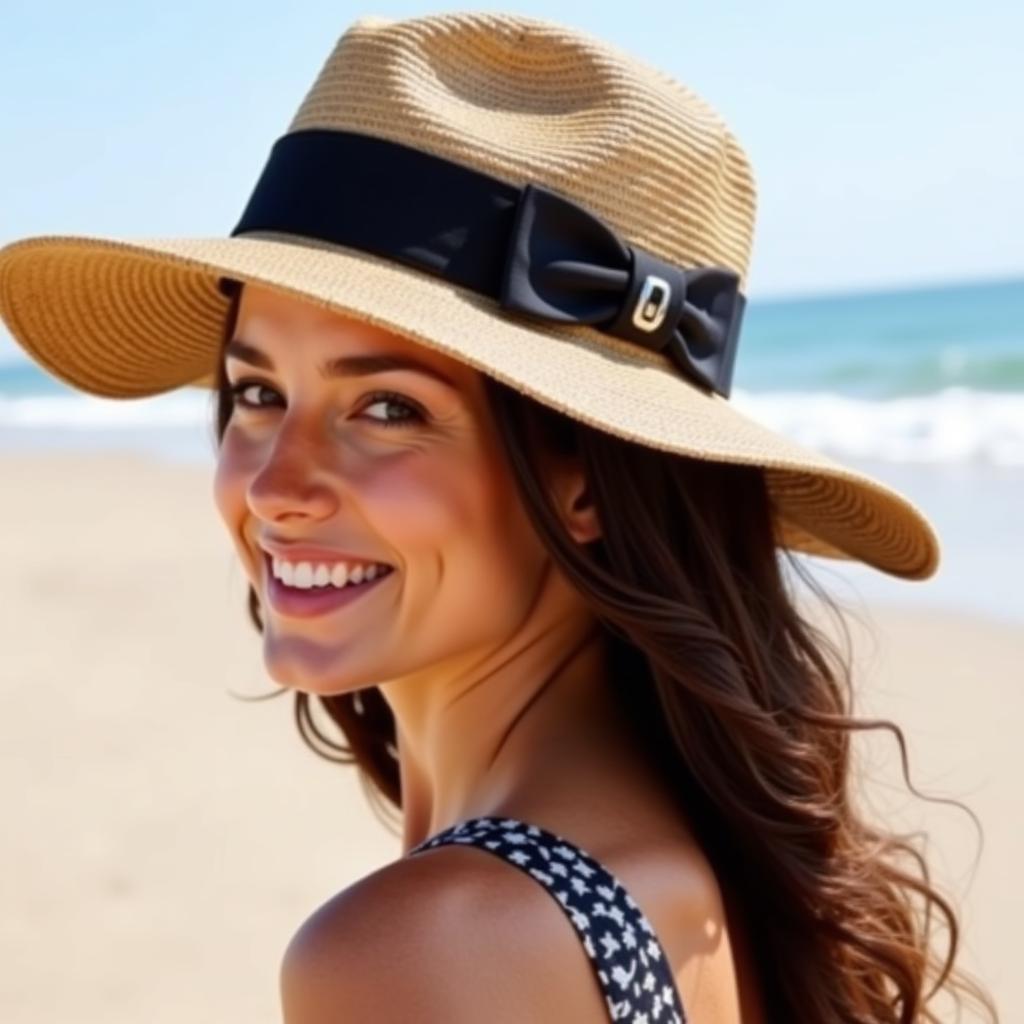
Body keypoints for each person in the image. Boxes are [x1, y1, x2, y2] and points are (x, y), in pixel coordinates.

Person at [0, 11, 997, 1023]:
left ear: (589, 482)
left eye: (387, 408)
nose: (273, 486)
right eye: (257, 393)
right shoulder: (684, 867)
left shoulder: (427, 946)